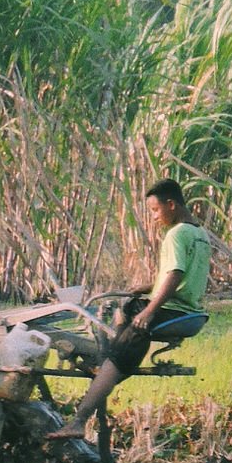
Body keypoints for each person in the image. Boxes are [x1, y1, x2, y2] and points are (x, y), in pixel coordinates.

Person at [47, 178, 211, 441]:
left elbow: (176, 274)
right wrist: (148, 287)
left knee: (124, 332)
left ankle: (84, 411)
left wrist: (149, 310)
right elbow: (185, 276)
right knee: (127, 308)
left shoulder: (176, 234)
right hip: (190, 311)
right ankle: (111, 362)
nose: (154, 217)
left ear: (171, 204)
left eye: (155, 210)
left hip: (172, 311)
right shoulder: (200, 234)